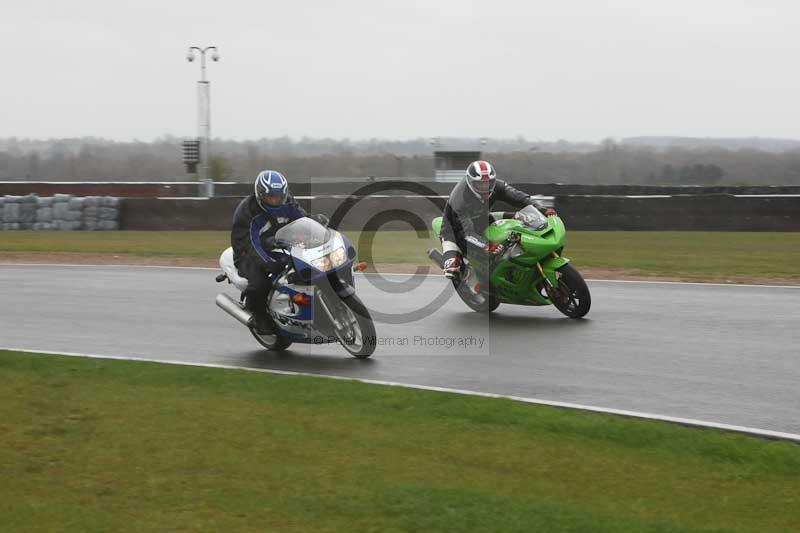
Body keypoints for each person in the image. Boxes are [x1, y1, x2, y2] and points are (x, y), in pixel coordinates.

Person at [231, 170, 325, 333]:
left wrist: (315, 223)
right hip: (247, 252)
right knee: (261, 283)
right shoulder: (248, 211)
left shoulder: (287, 201)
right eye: (270, 196)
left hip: (278, 245)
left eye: (279, 196)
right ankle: (258, 316)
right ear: (260, 195)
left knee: (309, 265)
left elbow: (301, 219)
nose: (275, 201)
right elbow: (250, 243)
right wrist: (267, 263)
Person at [440, 160, 556, 280]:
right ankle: (467, 273)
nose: (485, 187)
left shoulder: (497, 186)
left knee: (521, 219)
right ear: (470, 182)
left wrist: (541, 209)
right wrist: (487, 246)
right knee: (453, 269)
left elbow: (519, 197)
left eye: (488, 183)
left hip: (483, 219)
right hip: (454, 231)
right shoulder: (459, 200)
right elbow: (467, 233)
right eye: (480, 184)